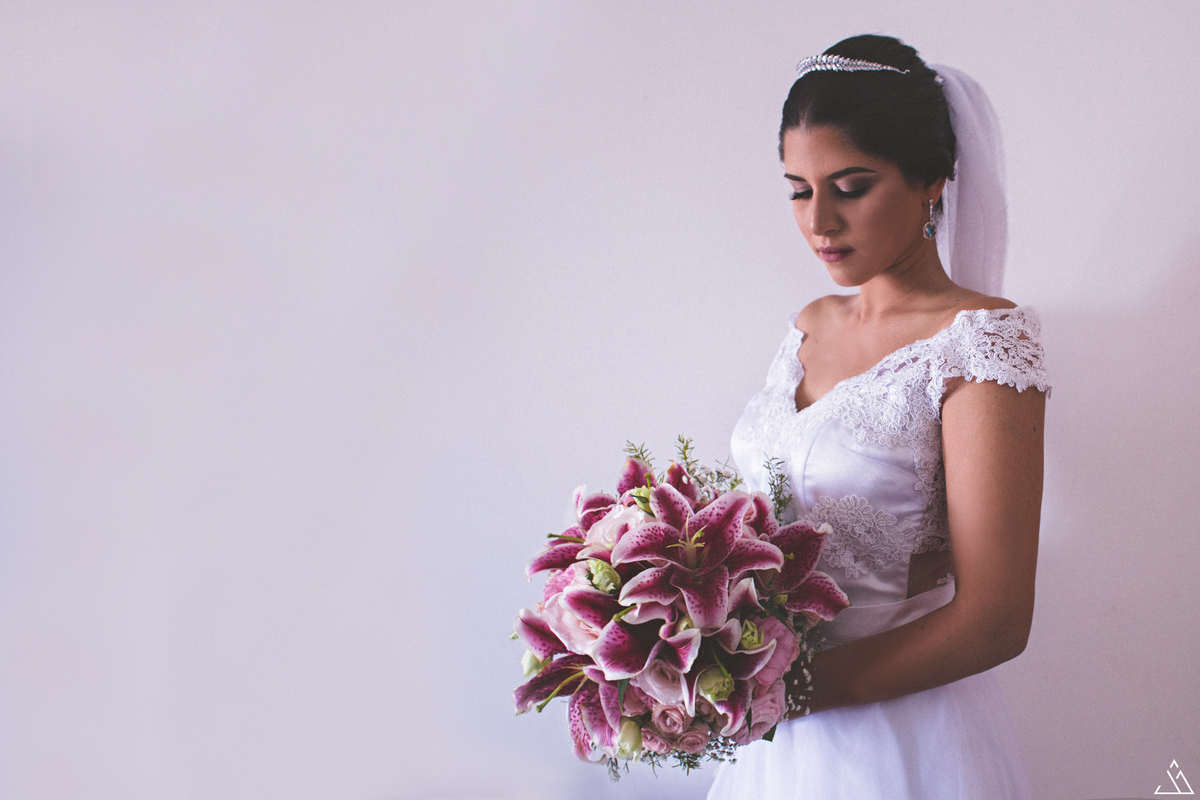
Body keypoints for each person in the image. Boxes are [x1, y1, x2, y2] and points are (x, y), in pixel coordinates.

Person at [706, 35, 1048, 800]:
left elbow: (996, 617)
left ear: (932, 181)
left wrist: (785, 694)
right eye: (798, 188)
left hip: (899, 741)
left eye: (851, 186)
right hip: (767, 746)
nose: (819, 221)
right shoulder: (808, 323)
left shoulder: (981, 343)